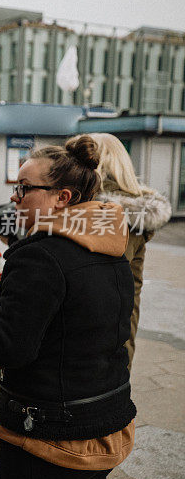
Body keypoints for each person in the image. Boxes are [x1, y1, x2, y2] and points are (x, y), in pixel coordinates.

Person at [0, 135, 136, 479]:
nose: (13, 197)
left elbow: (10, 347)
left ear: (62, 198)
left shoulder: (39, 256)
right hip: (106, 426)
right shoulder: (112, 245)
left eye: (23, 188)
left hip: (48, 437)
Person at [88, 133, 172, 369]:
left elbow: (100, 282)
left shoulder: (107, 212)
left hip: (101, 342)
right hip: (119, 331)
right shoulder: (132, 211)